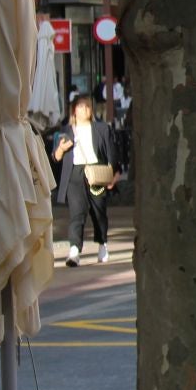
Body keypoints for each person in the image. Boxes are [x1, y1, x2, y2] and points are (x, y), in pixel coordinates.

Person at [53, 94, 117, 266]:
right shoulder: (66, 131)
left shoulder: (101, 129)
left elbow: (112, 153)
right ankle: (74, 250)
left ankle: (102, 244)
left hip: (96, 171)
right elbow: (56, 157)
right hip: (75, 173)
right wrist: (62, 148)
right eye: (81, 106)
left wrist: (114, 174)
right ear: (74, 109)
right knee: (77, 212)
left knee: (99, 211)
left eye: (88, 106)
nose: (85, 109)